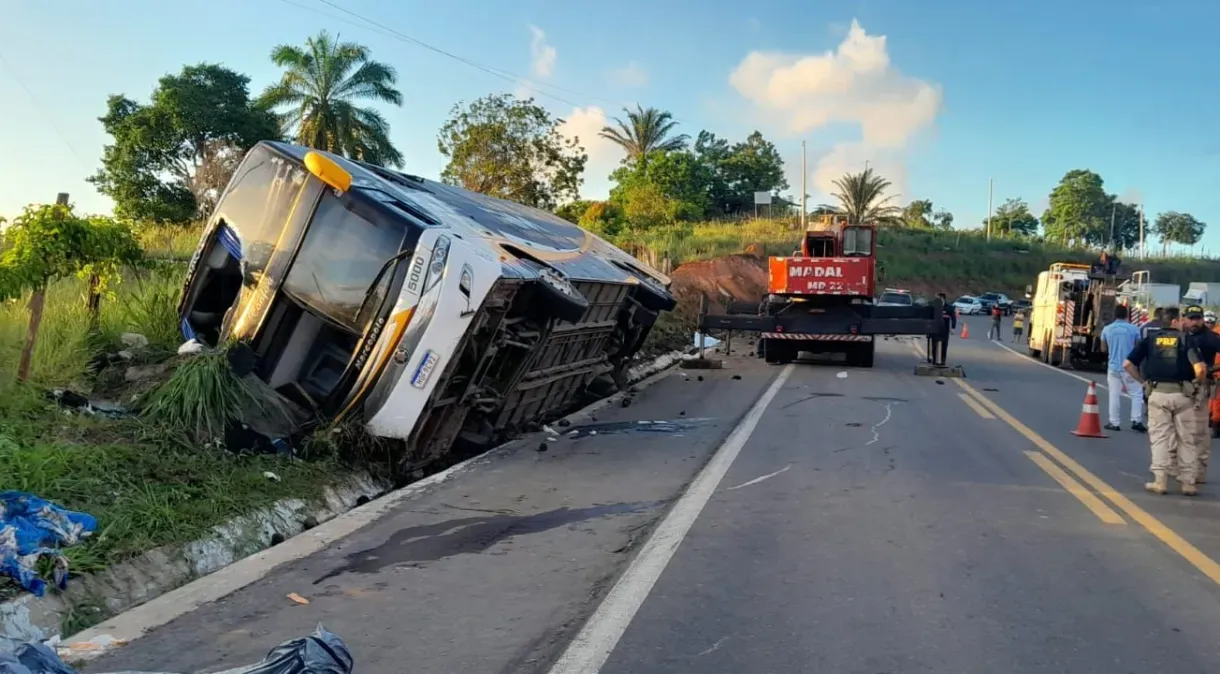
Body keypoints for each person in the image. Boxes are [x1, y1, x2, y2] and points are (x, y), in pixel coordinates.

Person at [1124, 306, 1207, 496]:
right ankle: (1188, 483)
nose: (1186, 322)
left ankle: (1160, 481)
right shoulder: (1187, 340)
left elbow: (1127, 364)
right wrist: (1196, 385)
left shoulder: (1150, 339)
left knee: (1160, 438)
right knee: (1187, 439)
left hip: (1157, 394)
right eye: (1182, 319)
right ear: (1174, 321)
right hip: (1183, 395)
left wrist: (1143, 381)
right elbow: (1200, 369)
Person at [1182, 306, 1220, 483]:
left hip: (1202, 387)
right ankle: (1181, 467)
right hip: (1181, 385)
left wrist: (1212, 369)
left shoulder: (1211, 338)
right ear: (1185, 319)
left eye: (1198, 318)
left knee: (1200, 430)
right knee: (1180, 429)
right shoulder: (1182, 336)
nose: (1195, 322)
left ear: (1203, 319)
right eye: (1192, 318)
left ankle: (1199, 470)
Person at [1101, 305, 1146, 432]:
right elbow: (1138, 347)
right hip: (1129, 367)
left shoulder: (1107, 329)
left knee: (1114, 395)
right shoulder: (1134, 329)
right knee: (1137, 393)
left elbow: (1103, 349)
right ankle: (1136, 420)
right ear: (1127, 315)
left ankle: (1114, 423)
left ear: (1114, 315)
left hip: (1113, 367)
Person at [929, 292, 955, 366]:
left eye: (937, 298)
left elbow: (953, 318)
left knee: (944, 345)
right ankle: (934, 360)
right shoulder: (933, 307)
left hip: (945, 330)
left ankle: (943, 360)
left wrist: (953, 328)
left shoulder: (949, 308)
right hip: (935, 329)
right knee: (934, 344)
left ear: (942, 298)